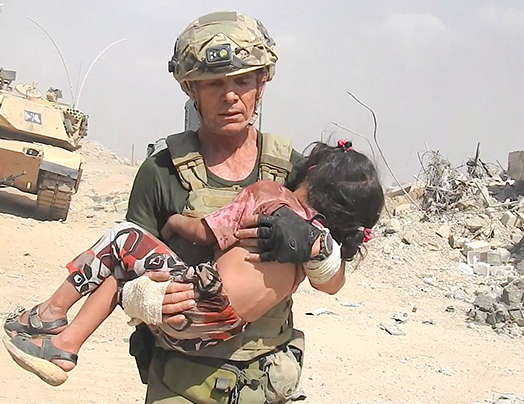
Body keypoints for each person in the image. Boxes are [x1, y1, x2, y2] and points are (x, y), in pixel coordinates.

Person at [3, 11, 353, 404]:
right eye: (214, 83)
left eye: (243, 80)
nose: (230, 95)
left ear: (262, 84)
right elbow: (119, 271)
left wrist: (315, 247)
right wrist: (148, 301)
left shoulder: (292, 171)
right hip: (181, 383)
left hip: (266, 379)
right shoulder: (162, 170)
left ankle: (50, 319)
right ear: (191, 89)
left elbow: (333, 283)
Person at [3, 141, 384, 391]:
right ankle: (62, 346)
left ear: (313, 171)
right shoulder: (313, 244)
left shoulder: (270, 195)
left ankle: (51, 317)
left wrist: (172, 223)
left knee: (122, 238)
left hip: (195, 301)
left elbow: (206, 232)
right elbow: (328, 278)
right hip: (215, 333)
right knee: (123, 279)